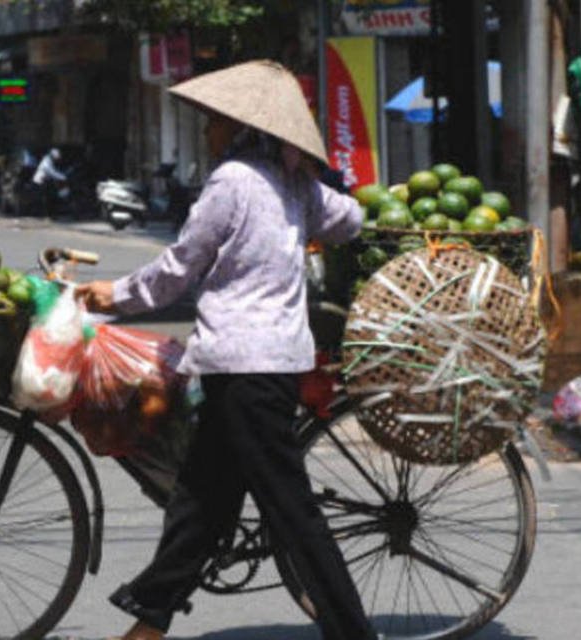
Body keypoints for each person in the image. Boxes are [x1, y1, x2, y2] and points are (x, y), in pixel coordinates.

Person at [76, 60, 377, 640]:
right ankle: (149, 623)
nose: (208, 130)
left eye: (214, 122)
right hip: (262, 367)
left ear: (238, 128)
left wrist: (112, 294)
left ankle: (353, 633)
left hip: (246, 369)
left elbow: (179, 267)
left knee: (292, 514)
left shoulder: (233, 181)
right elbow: (353, 219)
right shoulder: (294, 183)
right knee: (202, 502)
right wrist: (315, 185)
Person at [31, 147, 67, 217]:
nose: (57, 159)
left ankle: (51, 213)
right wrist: (63, 177)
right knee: (49, 197)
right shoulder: (46, 161)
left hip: (45, 181)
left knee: (51, 194)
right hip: (39, 182)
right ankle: (48, 214)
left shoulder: (50, 161)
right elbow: (51, 172)